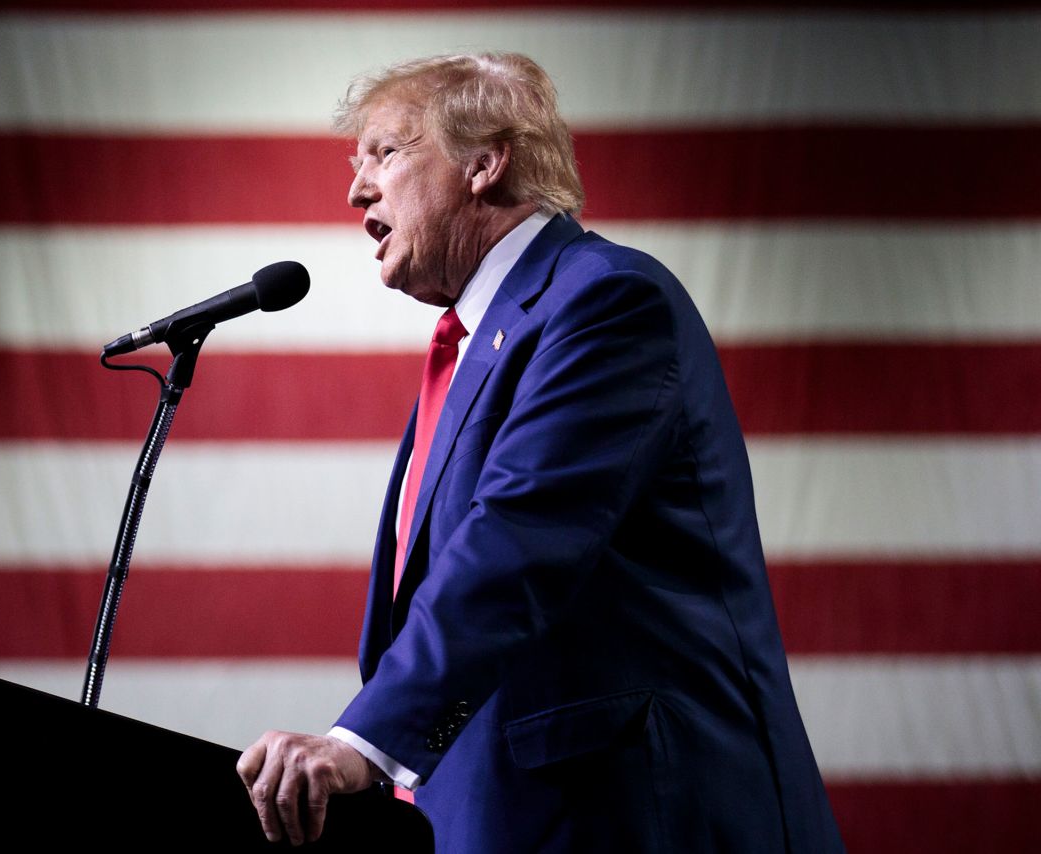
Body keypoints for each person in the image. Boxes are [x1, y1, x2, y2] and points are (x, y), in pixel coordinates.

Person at [237, 53, 844, 853]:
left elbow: (517, 543)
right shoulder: (478, 341)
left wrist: (361, 742)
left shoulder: (604, 300)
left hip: (640, 817)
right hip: (504, 816)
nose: (356, 189)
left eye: (385, 152)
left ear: (484, 163)